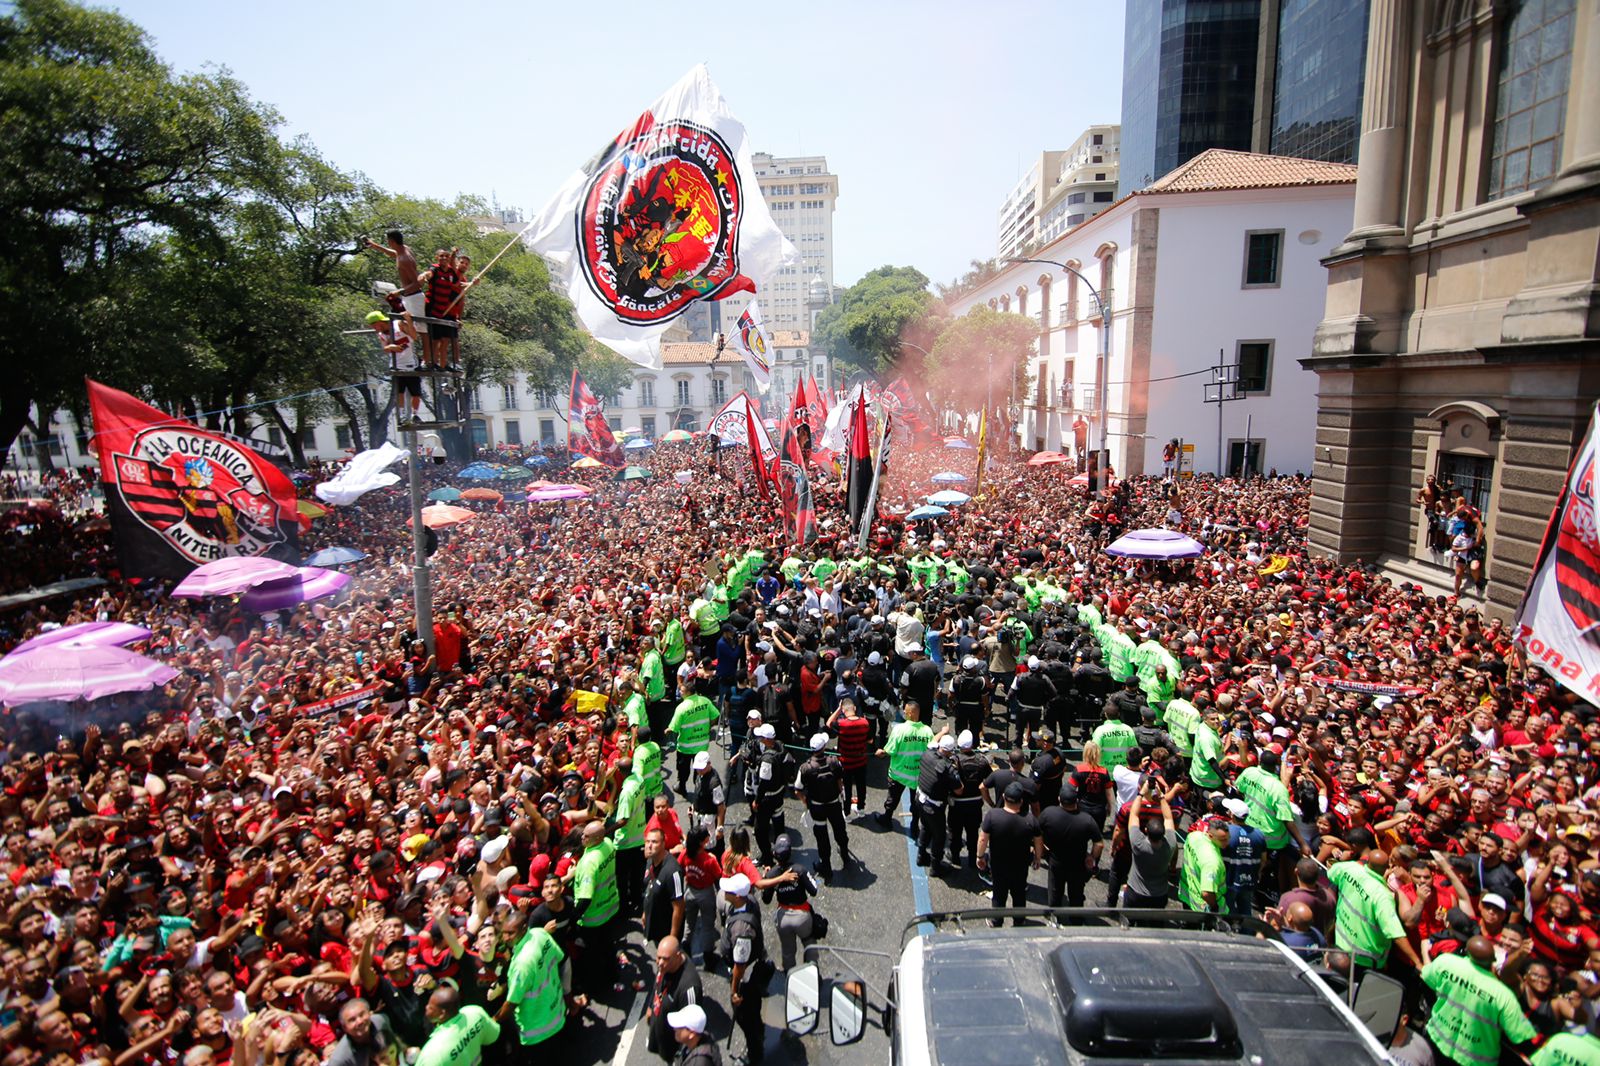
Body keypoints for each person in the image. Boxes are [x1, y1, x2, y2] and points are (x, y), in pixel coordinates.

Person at [1420, 935, 1537, 1066]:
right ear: (1492, 961)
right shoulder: (1502, 995)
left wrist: (1425, 951)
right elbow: (1521, 1035)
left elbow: (1426, 975)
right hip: (1472, 1060)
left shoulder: (1447, 963)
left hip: (1437, 1040)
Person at [1328, 849, 1424, 973]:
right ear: (1387, 867)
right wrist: (1417, 962)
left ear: (1368, 861)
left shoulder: (1350, 868)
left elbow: (1331, 873)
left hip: (1341, 946)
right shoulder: (1382, 896)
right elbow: (1395, 933)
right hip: (1365, 960)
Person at [720, 873, 772, 1063]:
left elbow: (740, 965)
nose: (725, 891)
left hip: (746, 977)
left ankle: (755, 1054)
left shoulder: (742, 930)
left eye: (730, 890)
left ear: (738, 896)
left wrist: (734, 991)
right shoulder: (748, 900)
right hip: (752, 964)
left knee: (745, 1017)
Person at [571, 821, 621, 995]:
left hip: (593, 917)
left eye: (586, 836)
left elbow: (585, 897)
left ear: (597, 838)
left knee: (592, 953)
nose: (582, 838)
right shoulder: (607, 844)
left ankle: (596, 986)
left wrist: (573, 918)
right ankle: (613, 973)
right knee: (608, 945)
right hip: (610, 905)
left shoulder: (588, 863)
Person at [979, 782, 1042, 921]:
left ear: (1003, 797)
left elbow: (983, 839)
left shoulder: (992, 815)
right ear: (1021, 801)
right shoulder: (1030, 820)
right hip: (1020, 866)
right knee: (1019, 894)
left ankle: (996, 921)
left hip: (999, 865)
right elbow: (1038, 841)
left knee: (999, 894)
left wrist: (980, 857)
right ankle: (1019, 920)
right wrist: (1037, 858)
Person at [500, 922, 566, 1050]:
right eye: (504, 933)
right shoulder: (539, 933)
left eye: (510, 933)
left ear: (524, 929)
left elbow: (512, 1002)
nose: (505, 938)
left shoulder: (522, 964)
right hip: (556, 1011)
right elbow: (559, 957)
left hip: (537, 1030)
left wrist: (494, 1020)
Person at [795, 732, 851, 880]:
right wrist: (841, 794)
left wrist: (806, 802)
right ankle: (845, 855)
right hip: (834, 804)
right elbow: (840, 781)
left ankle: (826, 866)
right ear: (824, 747)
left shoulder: (805, 768)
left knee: (821, 836)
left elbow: (797, 789)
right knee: (840, 829)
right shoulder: (834, 761)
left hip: (817, 807)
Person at [1040, 782, 1103, 907]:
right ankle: (1076, 919)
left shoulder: (1048, 814)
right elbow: (1099, 844)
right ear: (1077, 801)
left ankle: (1054, 917)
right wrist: (1091, 857)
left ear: (1059, 800)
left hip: (1056, 860)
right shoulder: (1087, 820)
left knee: (1055, 891)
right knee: (1076, 894)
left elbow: (1037, 833)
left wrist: (1042, 849)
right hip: (1078, 863)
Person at [762, 836, 820, 970]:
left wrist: (766, 877)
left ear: (775, 854)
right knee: (809, 944)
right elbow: (814, 890)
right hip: (802, 917)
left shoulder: (772, 874)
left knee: (788, 951)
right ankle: (813, 972)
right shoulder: (799, 869)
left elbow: (766, 899)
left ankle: (790, 976)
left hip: (783, 918)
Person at [878, 699, 933, 836]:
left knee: (892, 798)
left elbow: (890, 750)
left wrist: (881, 752)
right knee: (916, 803)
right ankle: (915, 827)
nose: (903, 712)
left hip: (899, 774)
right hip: (918, 775)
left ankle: (887, 819)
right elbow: (932, 750)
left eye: (905, 711)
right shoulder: (927, 731)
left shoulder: (899, 730)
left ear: (910, 713)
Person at [645, 936, 702, 1064]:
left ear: (678, 956)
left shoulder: (689, 988)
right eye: (658, 957)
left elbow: (691, 1028)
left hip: (673, 1044)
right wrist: (650, 1006)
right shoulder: (666, 966)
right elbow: (658, 981)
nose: (659, 963)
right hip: (660, 1031)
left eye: (665, 959)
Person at [415, 986, 500, 1066]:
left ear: (442, 1014)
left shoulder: (431, 1054)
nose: (426, 1007)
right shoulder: (474, 1012)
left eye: (430, 1008)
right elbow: (493, 1036)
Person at [915, 733, 962, 873]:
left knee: (925, 827)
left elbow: (932, 742)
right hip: (933, 806)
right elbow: (959, 790)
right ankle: (936, 866)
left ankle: (921, 855)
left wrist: (943, 731)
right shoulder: (947, 768)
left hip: (920, 798)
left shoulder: (927, 753)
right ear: (949, 751)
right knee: (939, 836)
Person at [1125, 789, 1178, 909]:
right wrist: (1161, 797)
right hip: (1159, 895)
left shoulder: (1138, 844)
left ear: (1145, 831)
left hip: (1136, 892)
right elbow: (1168, 818)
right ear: (1164, 833)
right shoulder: (1170, 844)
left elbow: (1133, 815)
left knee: (1130, 921)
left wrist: (1140, 794)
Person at [948, 730, 990, 867]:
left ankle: (955, 857)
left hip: (957, 805)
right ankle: (973, 859)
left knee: (955, 832)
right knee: (973, 833)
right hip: (975, 804)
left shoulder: (954, 761)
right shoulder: (982, 761)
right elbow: (989, 779)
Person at [641, 827, 686, 947]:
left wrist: (672, 939)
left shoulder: (673, 871)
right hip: (654, 922)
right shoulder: (650, 860)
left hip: (666, 929)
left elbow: (679, 907)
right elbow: (649, 888)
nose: (649, 845)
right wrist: (646, 912)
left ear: (663, 844)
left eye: (654, 842)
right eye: (647, 841)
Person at [1178, 813, 1231, 914]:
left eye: (1228, 838)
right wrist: (1214, 906)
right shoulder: (1212, 862)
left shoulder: (1193, 836)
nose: (1227, 842)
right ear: (1210, 836)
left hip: (1187, 895)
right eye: (1223, 840)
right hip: (1202, 907)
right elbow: (1206, 894)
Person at [327, 998, 403, 1066]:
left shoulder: (381, 1022)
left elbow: (397, 1047)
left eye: (362, 1014)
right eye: (352, 1020)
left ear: (370, 1013)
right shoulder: (340, 1059)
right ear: (344, 1028)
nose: (359, 1021)